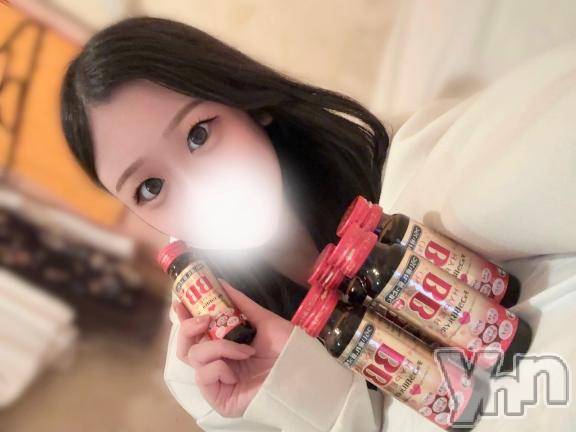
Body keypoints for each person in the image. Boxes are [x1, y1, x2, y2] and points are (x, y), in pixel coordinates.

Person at [61, 17, 576, 432]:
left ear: (249, 106)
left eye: (199, 135)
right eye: (150, 188)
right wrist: (290, 387)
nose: (197, 190)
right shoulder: (210, 369)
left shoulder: (422, 173)